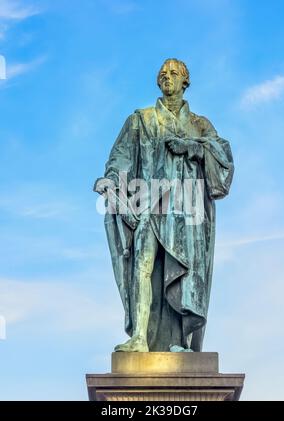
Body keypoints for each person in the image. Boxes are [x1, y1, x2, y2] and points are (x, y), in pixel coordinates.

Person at [94, 58, 234, 352]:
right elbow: (120, 158)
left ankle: (181, 343)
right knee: (142, 267)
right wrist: (109, 181)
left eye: (174, 73)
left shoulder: (199, 124)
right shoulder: (140, 120)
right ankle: (140, 338)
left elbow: (223, 162)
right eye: (163, 73)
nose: (167, 76)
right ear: (159, 82)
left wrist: (193, 147)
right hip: (151, 204)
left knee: (185, 275)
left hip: (188, 212)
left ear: (185, 81)